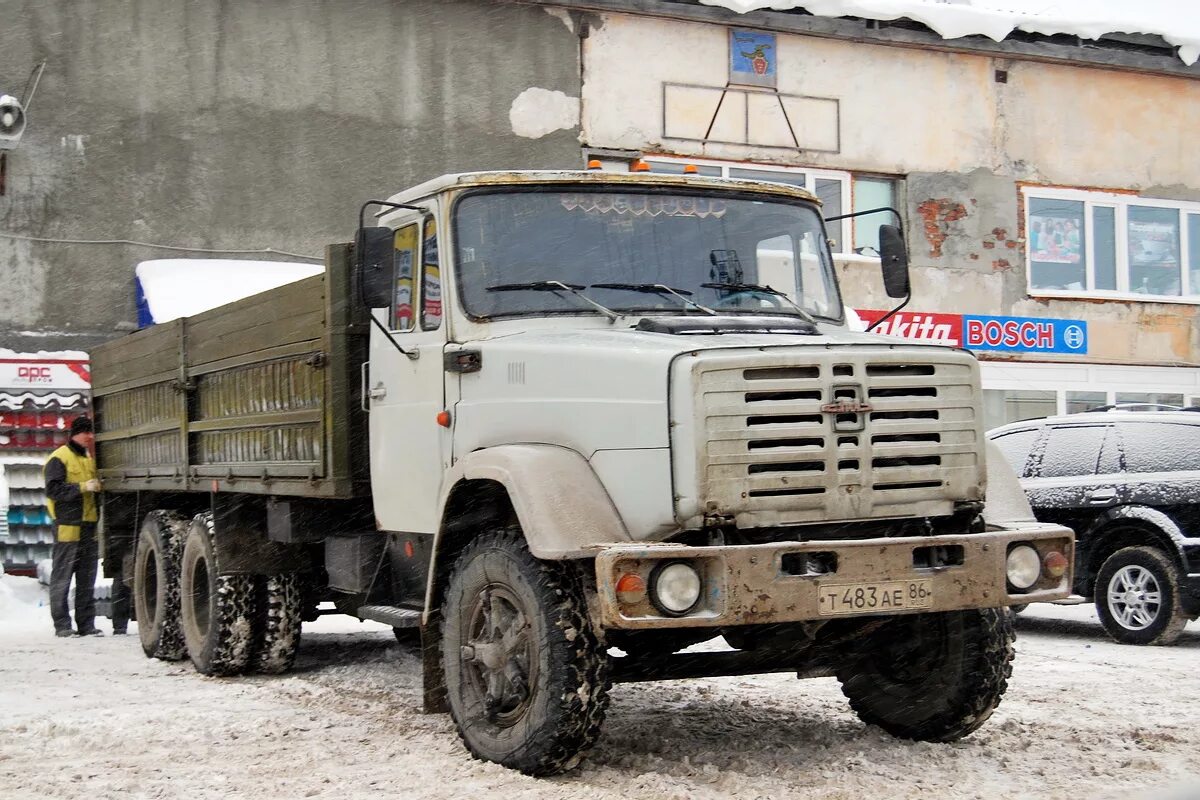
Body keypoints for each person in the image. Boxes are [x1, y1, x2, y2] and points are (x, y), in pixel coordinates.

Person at [44, 415, 103, 637]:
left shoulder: (88, 459)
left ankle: (86, 625)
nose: (90, 437)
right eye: (87, 432)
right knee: (63, 578)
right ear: (77, 433)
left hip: (88, 525)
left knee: (87, 579)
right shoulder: (59, 458)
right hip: (67, 526)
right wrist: (81, 487)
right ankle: (62, 625)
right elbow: (53, 490)